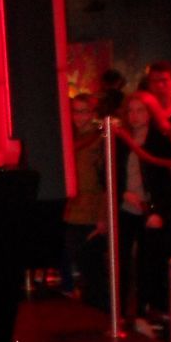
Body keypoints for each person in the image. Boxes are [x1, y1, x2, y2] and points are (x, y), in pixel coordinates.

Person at [115, 90, 171, 326]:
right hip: (125, 207)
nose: (134, 116)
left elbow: (169, 182)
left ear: (150, 113)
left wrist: (159, 211)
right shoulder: (121, 140)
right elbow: (109, 172)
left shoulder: (160, 142)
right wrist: (122, 192)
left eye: (140, 110)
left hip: (150, 208)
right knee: (121, 260)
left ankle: (143, 309)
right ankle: (119, 310)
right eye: (131, 111)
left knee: (147, 262)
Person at [61, 93, 106, 305]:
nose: (79, 117)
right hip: (72, 209)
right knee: (77, 264)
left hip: (91, 211)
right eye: (75, 112)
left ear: (92, 113)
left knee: (93, 269)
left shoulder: (99, 139)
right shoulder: (70, 136)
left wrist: (103, 215)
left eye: (83, 111)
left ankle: (99, 310)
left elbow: (105, 181)